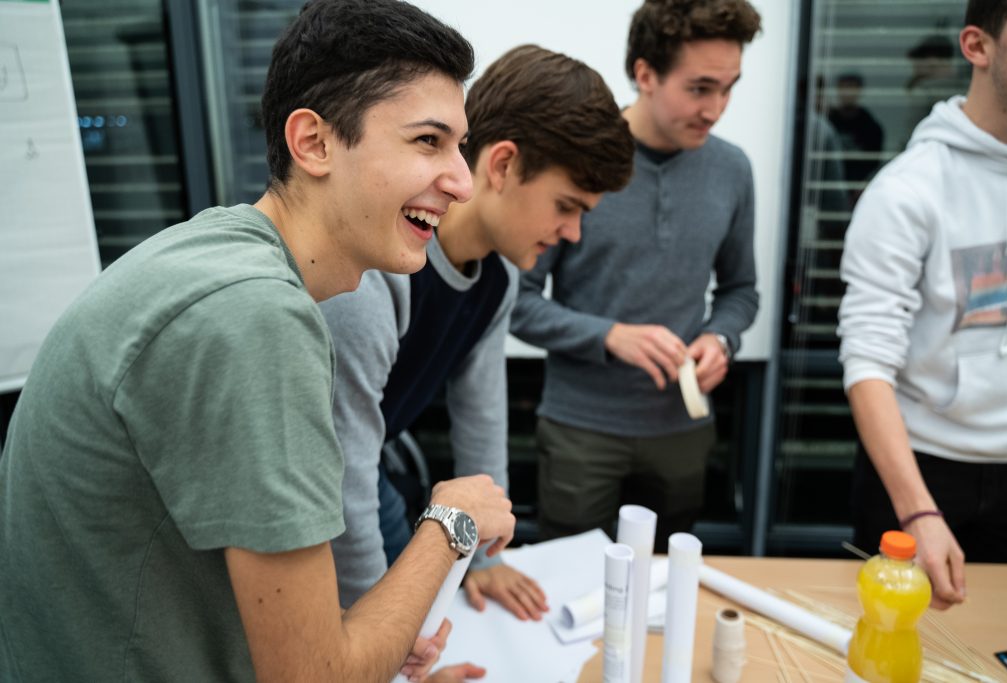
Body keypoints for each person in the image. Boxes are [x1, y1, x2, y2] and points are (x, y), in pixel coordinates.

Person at [0, 2, 516, 682]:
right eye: (428, 141)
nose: (459, 179)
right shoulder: (255, 318)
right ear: (313, 143)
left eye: (459, 146)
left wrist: (372, 637)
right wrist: (450, 522)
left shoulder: (218, 250)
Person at [321, 44, 634, 620]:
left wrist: (486, 559)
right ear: (503, 164)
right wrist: (377, 640)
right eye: (567, 206)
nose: (573, 234)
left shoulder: (499, 279)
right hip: (317, 483)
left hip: (367, 465)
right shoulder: (379, 269)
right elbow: (340, 479)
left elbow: (482, 422)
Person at [510, 0, 761, 552]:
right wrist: (611, 337)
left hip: (683, 431)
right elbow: (518, 303)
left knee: (662, 593)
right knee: (569, 593)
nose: (717, 108)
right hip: (581, 430)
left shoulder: (733, 169)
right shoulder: (577, 167)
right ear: (645, 74)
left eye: (729, 87)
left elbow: (741, 290)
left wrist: (722, 337)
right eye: (700, 88)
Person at [838, 0, 1007, 611]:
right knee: (898, 645)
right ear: (978, 46)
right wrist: (918, 509)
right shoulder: (907, 191)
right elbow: (868, 363)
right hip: (920, 468)